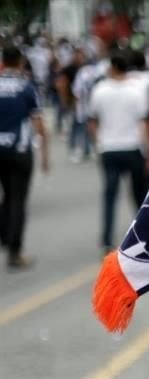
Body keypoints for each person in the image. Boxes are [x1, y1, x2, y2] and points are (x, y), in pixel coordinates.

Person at [88, 51, 149, 254]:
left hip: (109, 147)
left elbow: (92, 119)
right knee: (138, 194)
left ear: (113, 67)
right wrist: (148, 149)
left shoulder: (99, 90)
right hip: (132, 146)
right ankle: (144, 235)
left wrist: (97, 141)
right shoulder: (136, 91)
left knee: (110, 194)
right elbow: (144, 121)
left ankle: (107, 240)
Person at [0, 44, 49, 270]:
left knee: (6, 196)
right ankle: (14, 251)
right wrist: (45, 154)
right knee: (17, 199)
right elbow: (38, 122)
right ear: (20, 62)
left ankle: (5, 235)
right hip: (19, 151)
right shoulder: (26, 87)